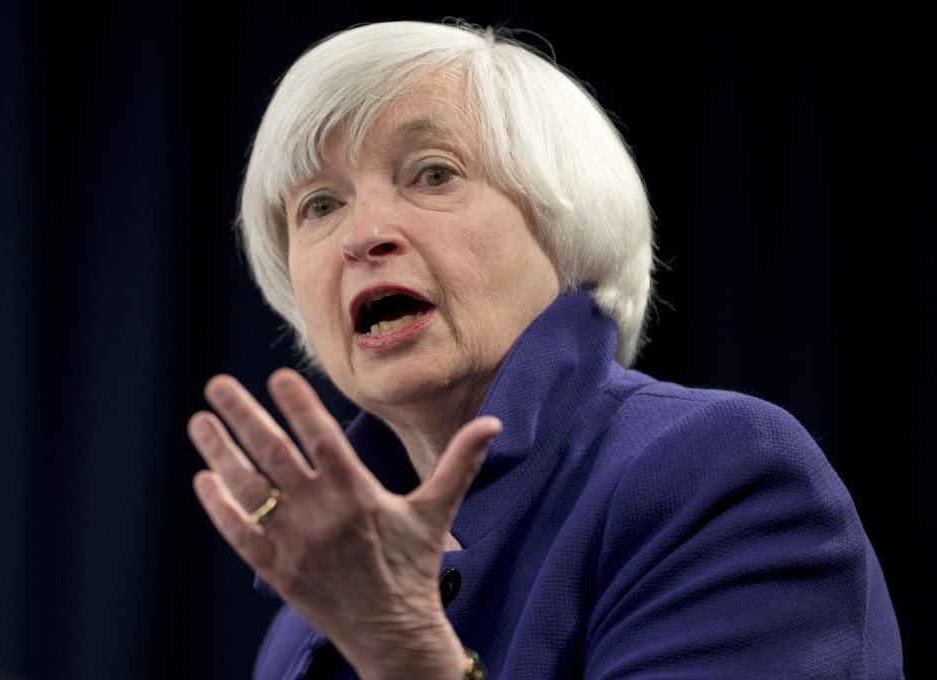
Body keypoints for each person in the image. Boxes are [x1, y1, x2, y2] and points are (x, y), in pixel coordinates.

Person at [187, 19, 904, 679]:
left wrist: (404, 655)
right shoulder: (302, 622)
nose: (361, 234)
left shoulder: (719, 471)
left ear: (566, 228)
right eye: (319, 204)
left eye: (434, 172)